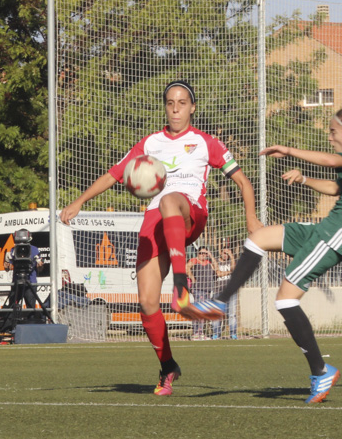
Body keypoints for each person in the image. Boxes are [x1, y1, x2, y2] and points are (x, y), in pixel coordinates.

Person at [60, 79, 260, 396]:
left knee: (169, 200)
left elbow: (244, 183)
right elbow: (115, 174)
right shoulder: (150, 143)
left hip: (188, 213)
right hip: (155, 222)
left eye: (182, 102)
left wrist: (251, 218)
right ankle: (167, 367)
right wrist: (80, 201)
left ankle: (181, 287)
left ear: (192, 107)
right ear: (165, 107)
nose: (176, 107)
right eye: (170, 102)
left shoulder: (206, 142)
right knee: (147, 303)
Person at [186, 104, 342, 403]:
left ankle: (320, 371)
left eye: (334, 132)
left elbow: (329, 159)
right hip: (327, 228)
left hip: (335, 237)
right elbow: (338, 189)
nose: (331, 137)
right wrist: (305, 180)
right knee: (258, 237)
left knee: (285, 299)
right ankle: (220, 300)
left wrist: (289, 150)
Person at [186, 247, 218, 340]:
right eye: (201, 253)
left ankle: (201, 333)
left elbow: (216, 268)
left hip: (207, 290)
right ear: (198, 253)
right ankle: (196, 333)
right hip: (198, 289)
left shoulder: (208, 263)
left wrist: (211, 255)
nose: (203, 255)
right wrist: (192, 278)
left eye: (205, 253)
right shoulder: (194, 261)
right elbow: (187, 267)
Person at [213, 241, 237, 339]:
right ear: (220, 252)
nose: (225, 255)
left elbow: (234, 269)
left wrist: (231, 256)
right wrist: (229, 272)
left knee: (231, 314)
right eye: (224, 253)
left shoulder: (231, 261)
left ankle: (233, 334)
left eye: (227, 253)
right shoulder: (216, 261)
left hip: (230, 292)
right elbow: (218, 273)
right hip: (218, 291)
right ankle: (216, 334)